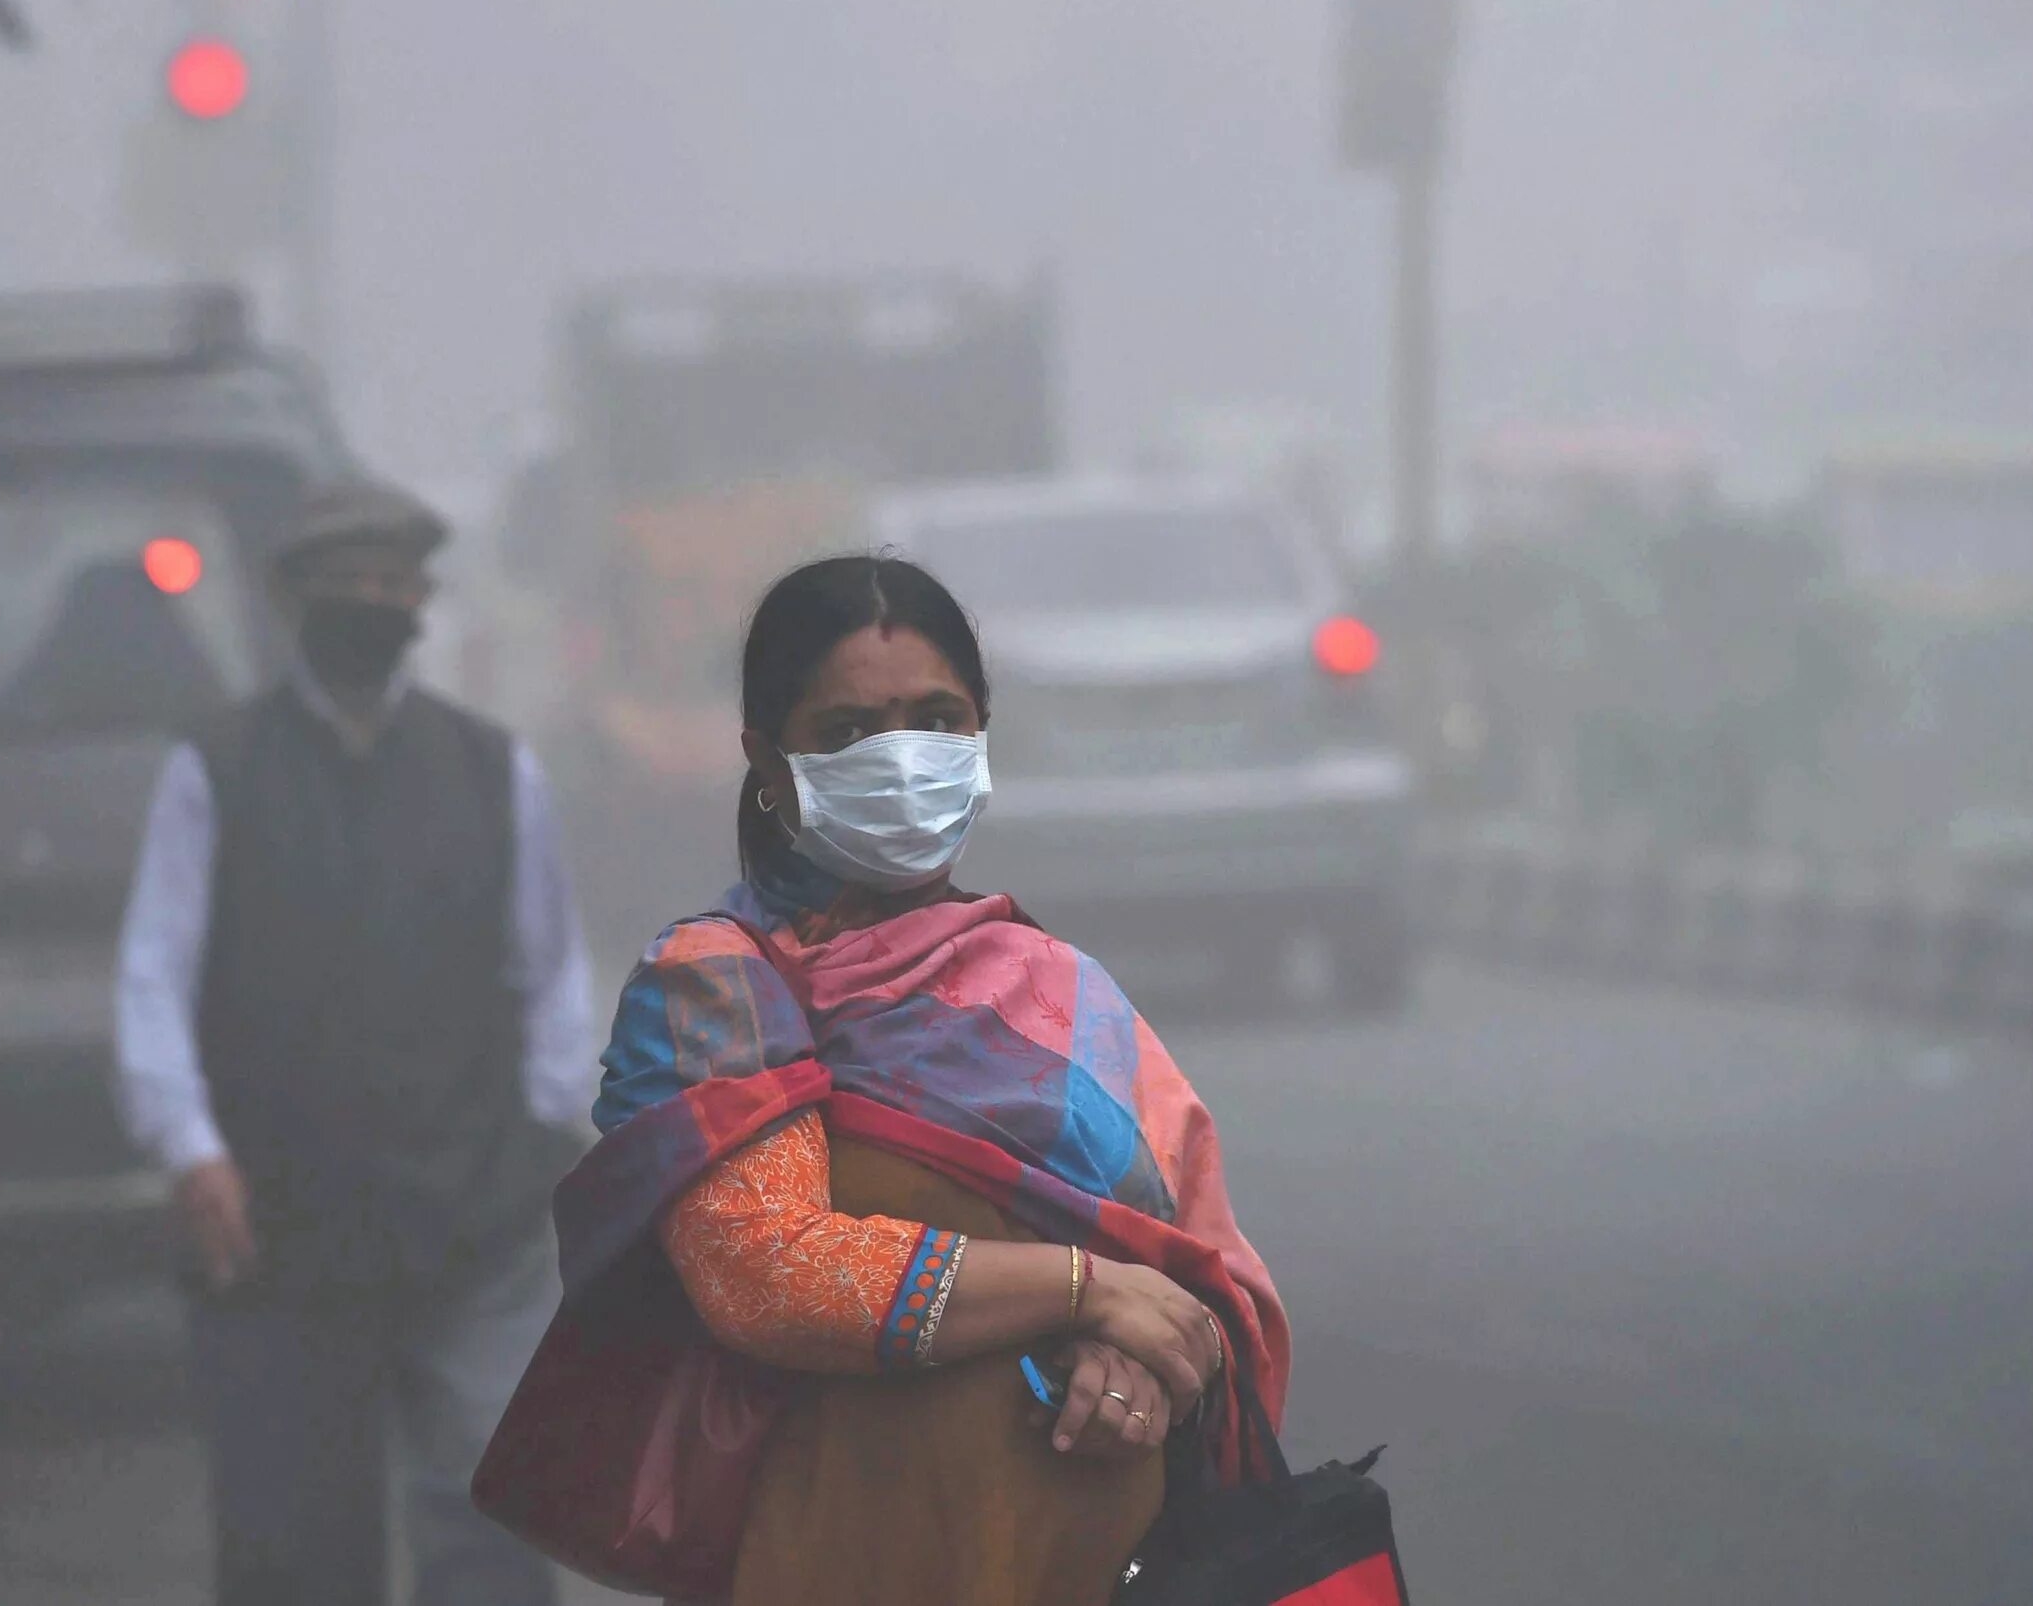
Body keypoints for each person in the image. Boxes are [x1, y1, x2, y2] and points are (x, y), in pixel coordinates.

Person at [482, 555, 1288, 1606]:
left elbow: (1207, 1287)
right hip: (839, 1553)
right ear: (767, 763)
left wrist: (1144, 1361)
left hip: (1087, 1559)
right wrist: (1091, 1290)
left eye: (936, 720)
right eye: (848, 731)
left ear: (982, 732)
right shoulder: (717, 985)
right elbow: (769, 1275)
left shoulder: (1062, 990)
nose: (902, 759)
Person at [114, 475, 589, 1606]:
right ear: (294, 601)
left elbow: (552, 971)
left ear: (421, 600)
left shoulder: (491, 768)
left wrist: (542, 1134)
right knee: (292, 1543)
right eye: (346, 583)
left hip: (471, 1211)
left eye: (392, 583)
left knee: (492, 1518)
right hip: (276, 1221)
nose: (371, 603)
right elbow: (154, 974)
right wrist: (190, 1147)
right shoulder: (215, 768)